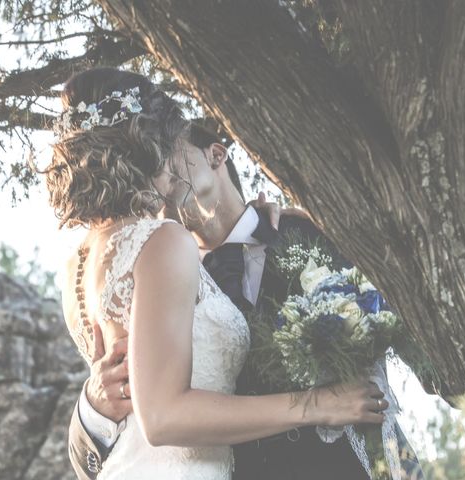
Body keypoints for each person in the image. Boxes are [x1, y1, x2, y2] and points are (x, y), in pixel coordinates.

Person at [47, 67, 392, 480]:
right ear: (146, 144)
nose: (173, 162)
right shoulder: (163, 245)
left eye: (178, 147)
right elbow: (159, 415)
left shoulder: (77, 266)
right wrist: (317, 403)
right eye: (168, 144)